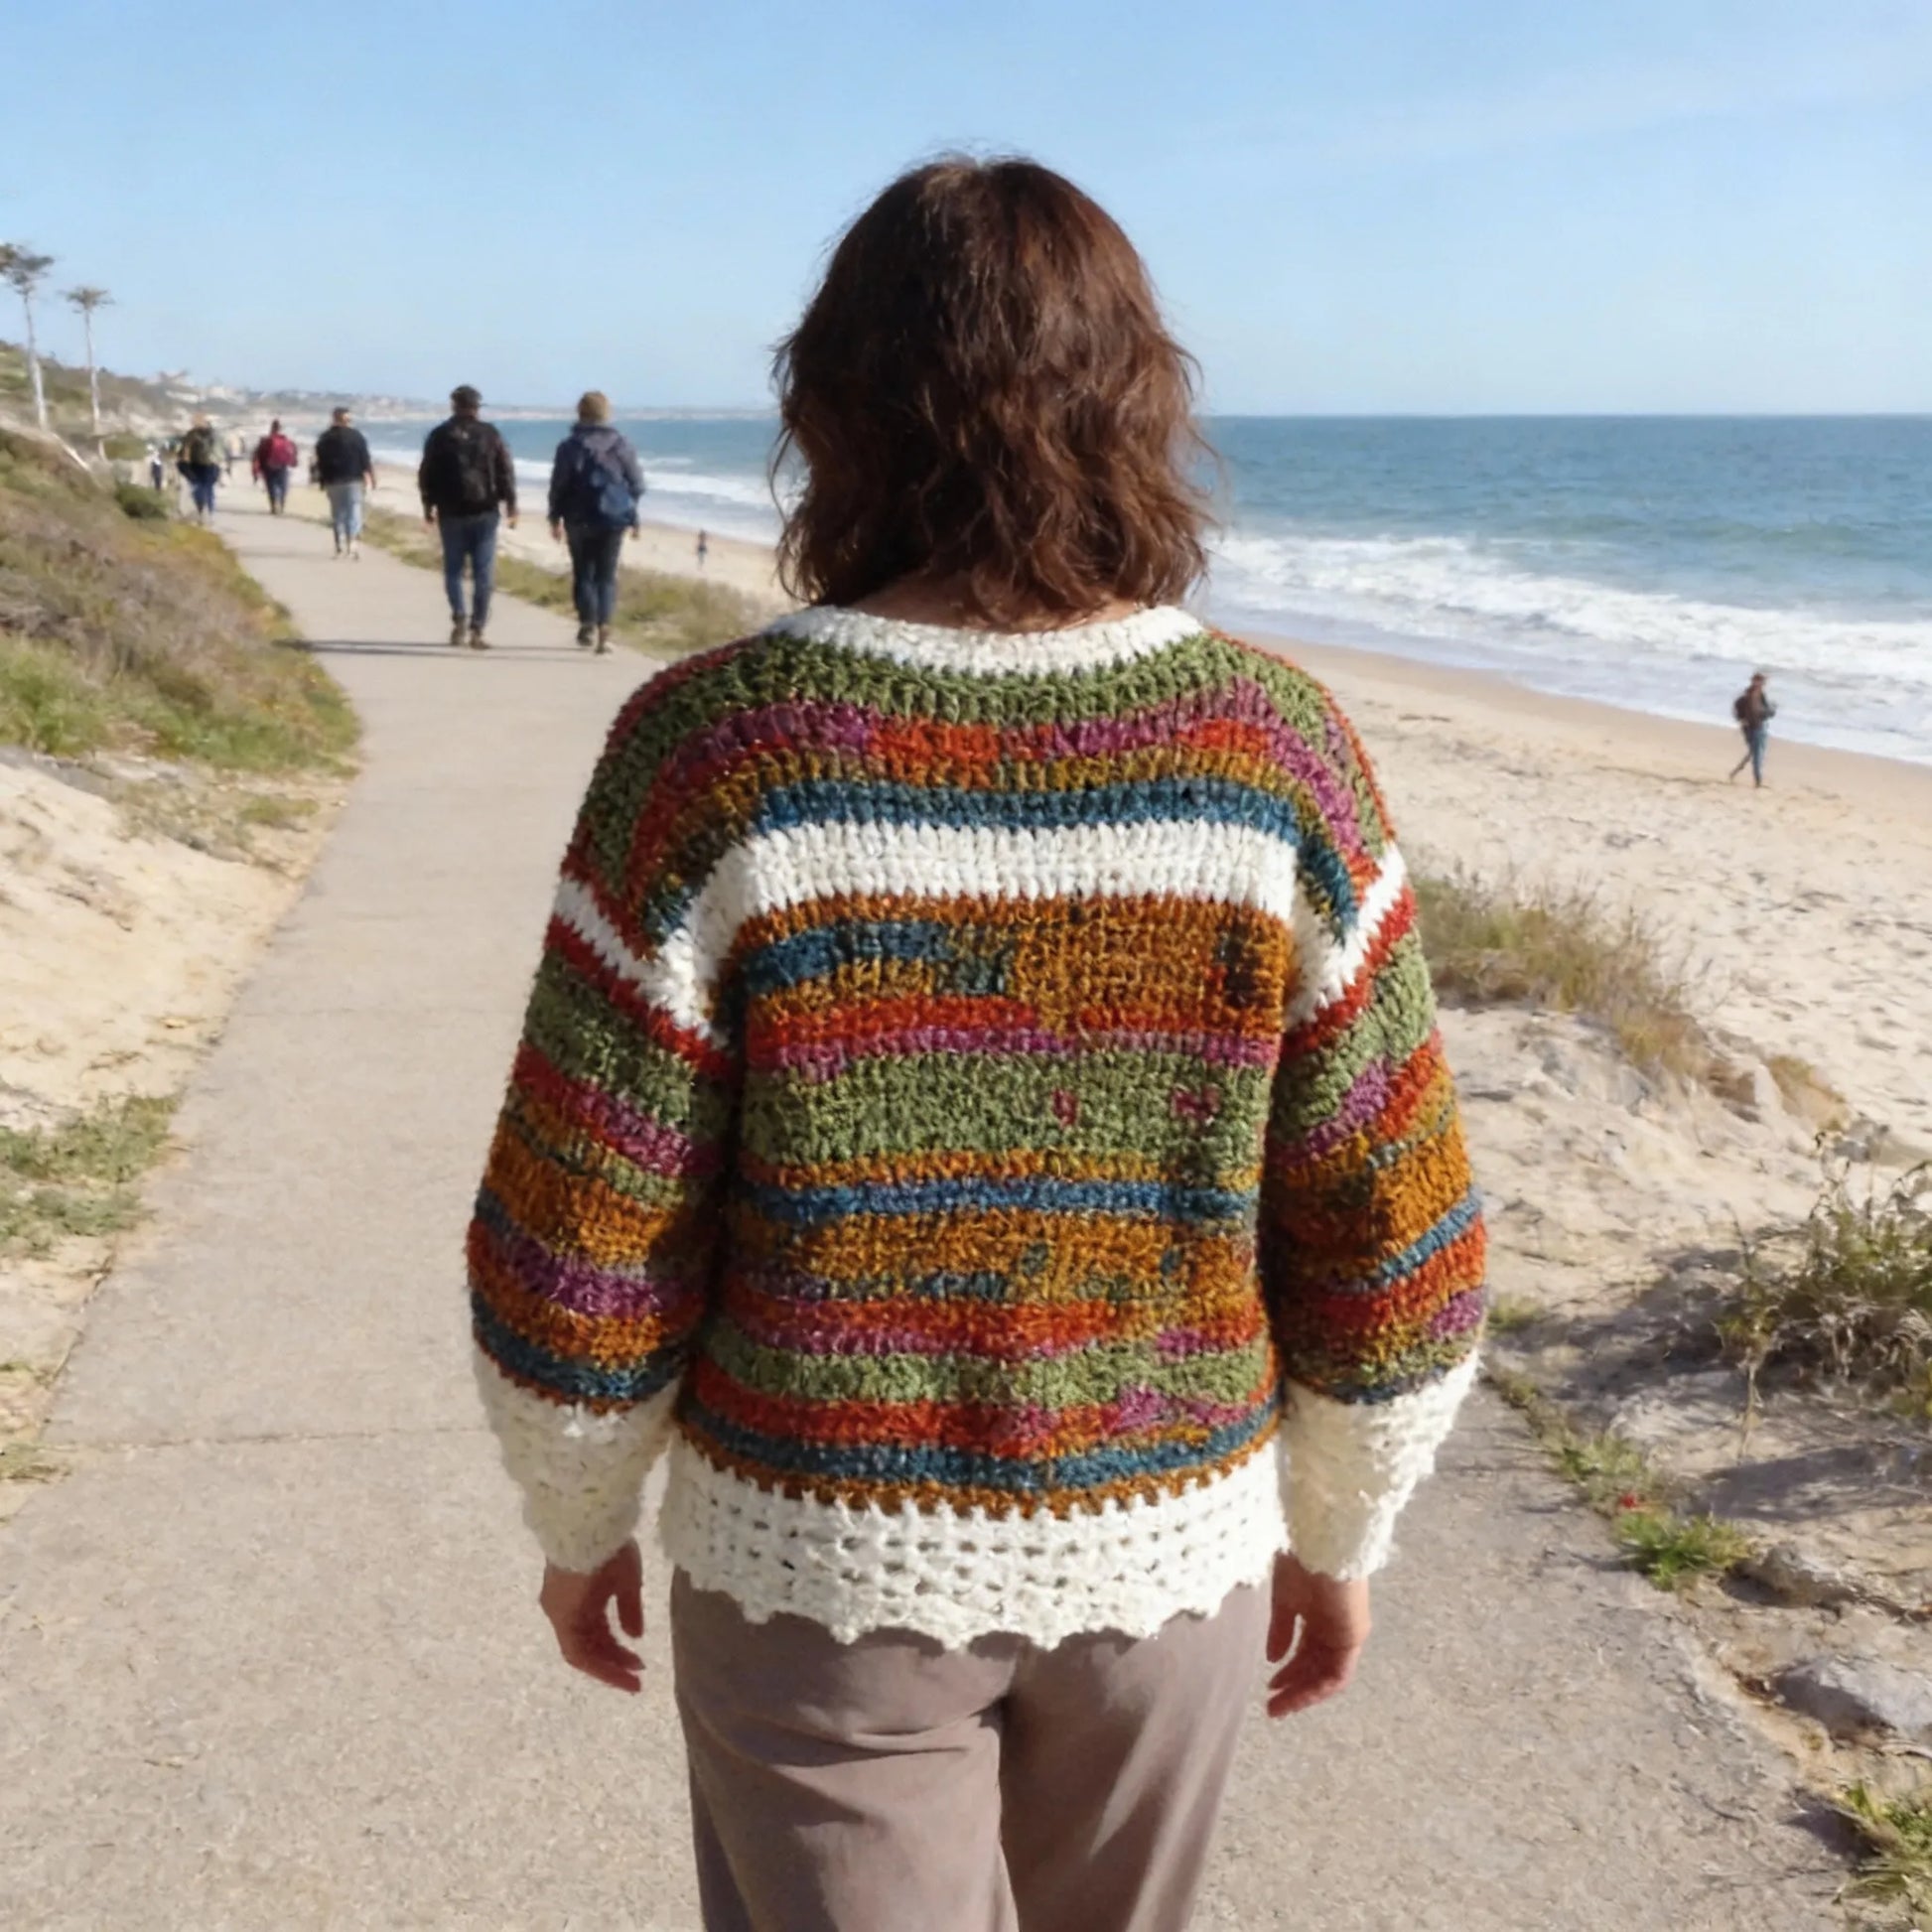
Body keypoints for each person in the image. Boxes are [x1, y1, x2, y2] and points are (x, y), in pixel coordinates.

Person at [466, 158, 1486, 1931]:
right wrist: (1340, 1532)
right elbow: (1391, 1222)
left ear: (831, 412)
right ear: (1136, 404)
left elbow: (581, 1230)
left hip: (813, 1569)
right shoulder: (1274, 754)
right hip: (1166, 1559)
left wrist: (577, 1520)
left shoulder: (718, 750)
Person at [418, 385, 517, 648]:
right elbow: (504, 470)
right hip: (484, 510)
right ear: (477, 407)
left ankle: (459, 616)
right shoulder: (490, 434)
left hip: (450, 511)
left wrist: (428, 506)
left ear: (454, 405)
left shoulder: (439, 435)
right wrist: (512, 503)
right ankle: (478, 628)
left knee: (453, 569)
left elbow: (426, 473)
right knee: (483, 572)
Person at [546, 391, 644, 653]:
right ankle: (605, 628)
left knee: (583, 573)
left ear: (580, 413)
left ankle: (587, 623)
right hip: (612, 518)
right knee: (606, 575)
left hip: (577, 517)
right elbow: (637, 484)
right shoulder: (621, 444)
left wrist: (554, 517)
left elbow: (559, 485)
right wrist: (631, 513)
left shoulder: (568, 447)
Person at [313, 406, 376, 559]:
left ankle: (339, 544)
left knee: (337, 512)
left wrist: (321, 479)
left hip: (333, 480)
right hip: (353, 479)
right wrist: (371, 477)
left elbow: (320, 462)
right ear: (347, 420)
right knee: (354, 510)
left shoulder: (324, 438)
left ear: (334, 418)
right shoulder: (357, 436)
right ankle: (352, 543)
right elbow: (365, 459)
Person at [1729, 671, 1776, 787]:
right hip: (1751, 729)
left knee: (1755, 754)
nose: (1760, 684)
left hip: (1759, 728)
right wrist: (1741, 719)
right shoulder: (1746, 697)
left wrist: (1771, 710)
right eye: (1758, 681)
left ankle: (1736, 772)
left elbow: (1767, 713)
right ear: (1753, 682)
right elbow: (1737, 707)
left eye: (1762, 682)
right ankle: (1758, 781)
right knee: (1757, 755)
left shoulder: (1762, 696)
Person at [176, 415, 223, 523]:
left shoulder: (192, 434)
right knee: (209, 489)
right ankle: (209, 514)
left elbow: (184, 451)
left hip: (196, 464)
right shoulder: (215, 435)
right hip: (213, 464)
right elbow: (221, 451)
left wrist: (183, 463)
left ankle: (201, 510)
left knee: (198, 487)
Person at [252, 419, 299, 515]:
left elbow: (259, 454)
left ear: (271, 428)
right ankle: (281, 505)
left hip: (269, 466)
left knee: (271, 486)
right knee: (283, 486)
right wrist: (293, 462)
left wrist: (258, 468)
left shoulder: (265, 440)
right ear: (280, 428)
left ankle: (274, 506)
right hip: (283, 465)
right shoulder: (286, 440)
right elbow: (293, 452)